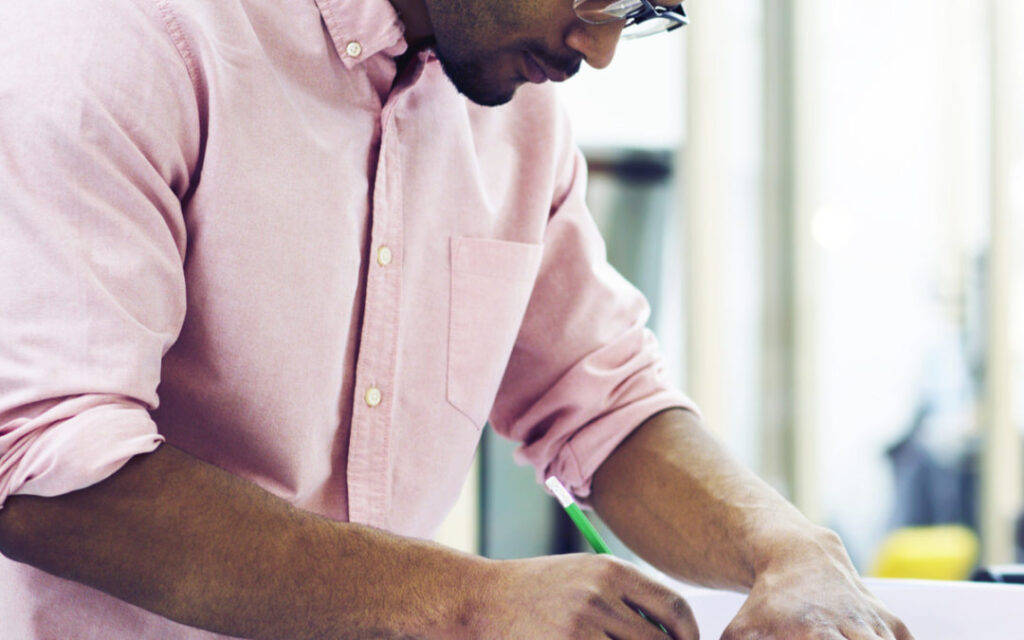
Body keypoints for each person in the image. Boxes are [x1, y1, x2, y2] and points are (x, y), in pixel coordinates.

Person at [0, 0, 912, 638]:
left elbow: (602, 402)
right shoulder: (127, 34)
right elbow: (39, 464)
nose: (601, 50)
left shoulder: (520, 122)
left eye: (647, 11)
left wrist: (788, 549)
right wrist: (470, 603)